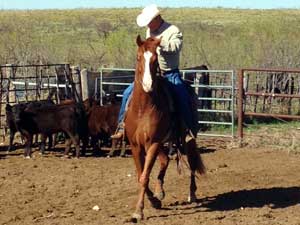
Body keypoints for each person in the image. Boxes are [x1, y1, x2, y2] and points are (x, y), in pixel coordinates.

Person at [111, 4, 198, 141]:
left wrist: (160, 43)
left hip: (170, 73)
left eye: (149, 22)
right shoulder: (148, 31)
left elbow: (176, 46)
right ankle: (122, 125)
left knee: (182, 96)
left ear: (156, 18)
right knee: (128, 93)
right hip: (152, 73)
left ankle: (187, 130)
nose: (148, 26)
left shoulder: (173, 30)